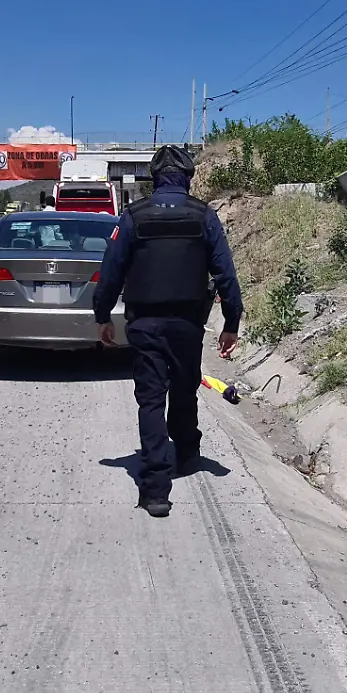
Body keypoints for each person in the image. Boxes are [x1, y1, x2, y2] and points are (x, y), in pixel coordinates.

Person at [92, 144, 244, 518]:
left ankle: (157, 490)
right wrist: (231, 323)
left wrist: (102, 316)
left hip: (144, 323)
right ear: (189, 177)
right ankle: (188, 453)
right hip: (188, 324)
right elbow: (226, 273)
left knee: (151, 400)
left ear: (154, 178)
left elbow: (110, 271)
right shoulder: (204, 216)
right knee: (185, 386)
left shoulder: (133, 216)